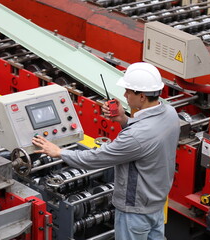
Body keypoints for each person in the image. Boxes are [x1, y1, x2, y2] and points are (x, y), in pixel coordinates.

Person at [32, 62, 180, 240]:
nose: (124, 95)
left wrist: (60, 152)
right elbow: (146, 137)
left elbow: (96, 158)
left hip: (134, 211)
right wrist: (123, 118)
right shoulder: (170, 113)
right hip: (156, 203)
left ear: (141, 96)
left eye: (128, 91)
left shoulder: (136, 137)